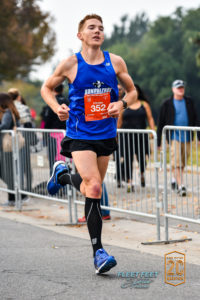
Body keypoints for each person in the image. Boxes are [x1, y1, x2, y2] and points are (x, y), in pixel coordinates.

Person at [41, 14, 137, 274]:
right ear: (80, 35)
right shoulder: (71, 64)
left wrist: (122, 103)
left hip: (106, 135)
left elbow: (133, 90)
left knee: (89, 188)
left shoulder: (115, 62)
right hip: (80, 134)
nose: (97, 31)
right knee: (94, 187)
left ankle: (62, 177)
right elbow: (46, 88)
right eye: (91, 28)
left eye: (101, 28)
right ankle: (99, 254)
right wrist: (56, 107)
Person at [157, 79, 200, 196]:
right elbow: (161, 123)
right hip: (174, 136)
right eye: (178, 87)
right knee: (176, 162)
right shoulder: (167, 103)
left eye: (182, 87)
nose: (181, 89)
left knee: (183, 162)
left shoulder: (189, 101)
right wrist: (159, 142)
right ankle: (181, 185)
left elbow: (196, 119)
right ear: (173, 89)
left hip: (187, 136)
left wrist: (199, 137)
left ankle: (174, 180)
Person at [117, 83, 155, 192]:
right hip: (126, 136)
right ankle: (130, 181)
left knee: (143, 158)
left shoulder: (144, 104)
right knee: (128, 159)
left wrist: (152, 131)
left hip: (141, 136)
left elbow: (150, 118)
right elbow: (119, 122)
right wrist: (115, 135)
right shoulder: (124, 105)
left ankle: (142, 172)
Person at [8, 88, 33, 193]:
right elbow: (29, 123)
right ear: (18, 97)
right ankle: (27, 188)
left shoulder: (7, 108)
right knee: (26, 164)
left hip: (11, 139)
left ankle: (19, 188)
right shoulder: (24, 108)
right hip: (24, 138)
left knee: (15, 164)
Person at [0, 93, 20, 206]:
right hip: (7, 147)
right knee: (7, 173)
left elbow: (4, 126)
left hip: (7, 147)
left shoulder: (7, 112)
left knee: (7, 173)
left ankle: (13, 197)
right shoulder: (8, 111)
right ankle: (15, 194)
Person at [43, 84, 69, 173]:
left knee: (53, 163)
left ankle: (54, 182)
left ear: (53, 90)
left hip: (53, 136)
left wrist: (44, 137)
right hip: (67, 134)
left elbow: (47, 120)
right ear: (62, 90)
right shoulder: (68, 101)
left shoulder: (52, 103)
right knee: (67, 162)